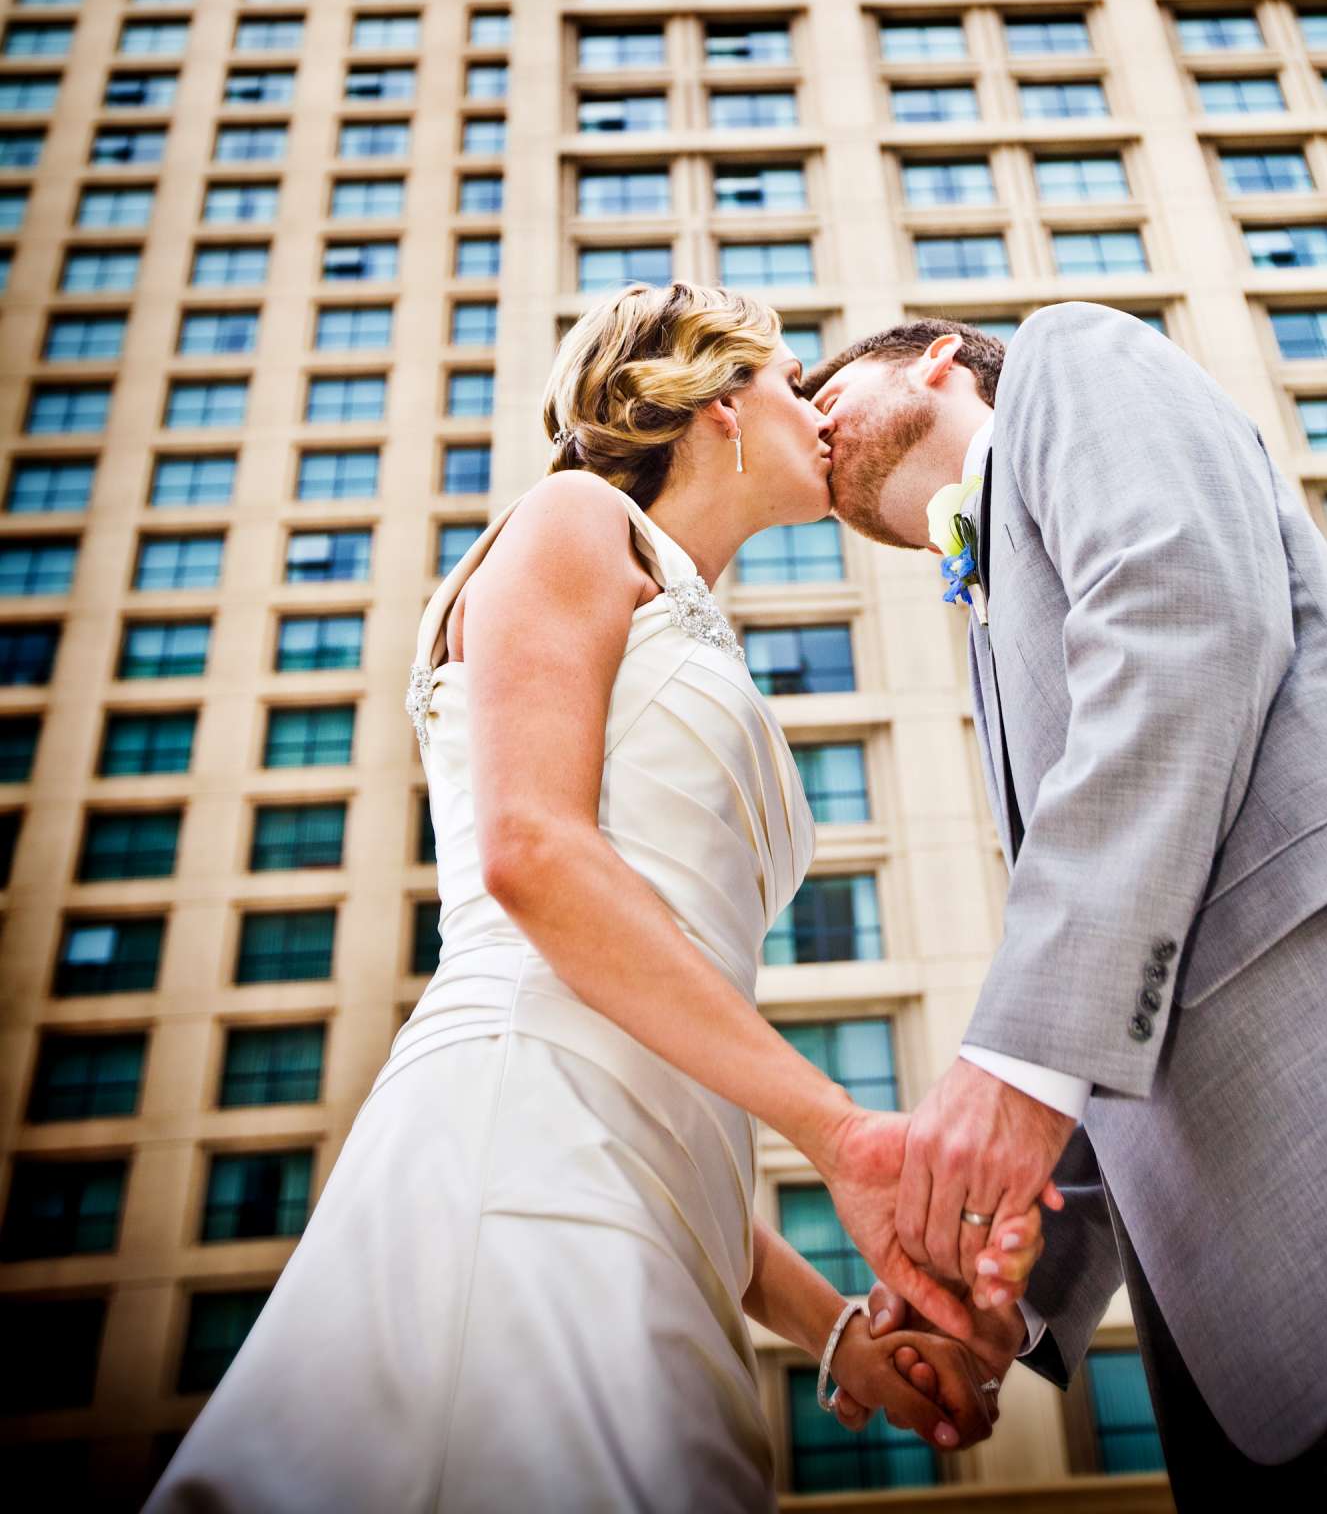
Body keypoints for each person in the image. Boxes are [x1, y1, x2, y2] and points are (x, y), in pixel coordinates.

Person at [149, 284, 1041, 1514]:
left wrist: (834, 1334)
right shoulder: (575, 519)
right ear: (718, 401)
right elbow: (532, 852)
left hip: (656, 1183)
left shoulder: (688, 609)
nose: (821, 409)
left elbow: (664, 1055)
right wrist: (844, 1132)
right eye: (794, 382)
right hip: (520, 1124)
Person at [805, 305, 1327, 1506]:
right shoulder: (974, 619)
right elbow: (1126, 952)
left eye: (828, 390)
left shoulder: (1072, 358)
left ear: (935, 361)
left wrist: (1013, 1059)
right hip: (1250, 1346)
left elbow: (1180, 620)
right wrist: (990, 1291)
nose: (809, 423)